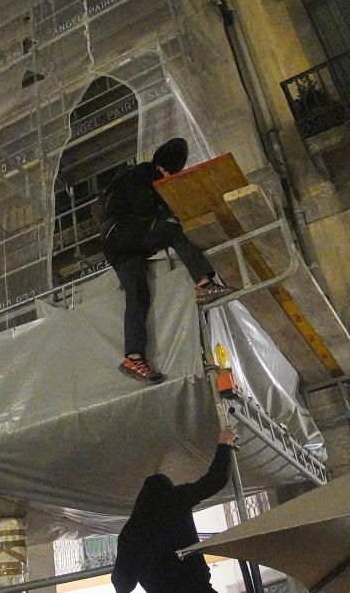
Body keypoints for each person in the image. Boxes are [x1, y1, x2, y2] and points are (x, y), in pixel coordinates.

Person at [99, 137, 235, 384]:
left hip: (122, 246)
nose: (164, 176)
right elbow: (142, 208)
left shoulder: (146, 178)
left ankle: (134, 357)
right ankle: (204, 284)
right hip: (120, 231)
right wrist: (168, 215)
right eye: (164, 171)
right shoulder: (142, 172)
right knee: (172, 231)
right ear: (159, 165)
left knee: (137, 296)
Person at [111, 426, 240, 593]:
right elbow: (216, 480)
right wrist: (225, 443)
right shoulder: (173, 500)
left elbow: (123, 585)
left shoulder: (129, 534)